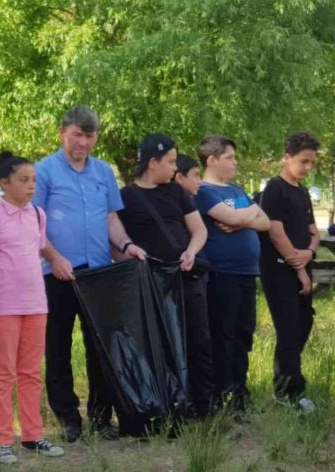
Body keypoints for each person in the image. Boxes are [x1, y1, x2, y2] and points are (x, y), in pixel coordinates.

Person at [32, 106, 146, 442]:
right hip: (57, 273)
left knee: (101, 347)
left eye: (89, 135)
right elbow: (34, 224)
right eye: (77, 135)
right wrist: (54, 258)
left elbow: (111, 218)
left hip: (98, 272)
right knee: (58, 346)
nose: (83, 142)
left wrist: (126, 245)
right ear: (62, 133)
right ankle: (68, 417)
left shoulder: (103, 172)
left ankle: (101, 416)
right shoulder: (44, 172)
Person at [119, 135, 214, 420]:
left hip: (185, 276)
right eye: (171, 162)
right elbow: (118, 239)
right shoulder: (127, 197)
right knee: (160, 343)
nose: (175, 168)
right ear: (152, 163)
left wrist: (191, 252)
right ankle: (168, 405)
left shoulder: (176, 193)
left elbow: (199, 230)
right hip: (151, 283)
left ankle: (204, 406)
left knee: (199, 339)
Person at [0, 152, 64, 464]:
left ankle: (33, 435)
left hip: (36, 303)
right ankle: (2, 439)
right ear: (5, 183)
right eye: (23, 180)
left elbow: (40, 249)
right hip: (2, 304)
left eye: (34, 180)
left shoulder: (38, 215)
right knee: (4, 373)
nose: (31, 186)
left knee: (31, 372)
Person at [193, 135, 269, 412]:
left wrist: (241, 219)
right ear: (212, 160)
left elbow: (266, 222)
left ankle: (239, 391)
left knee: (243, 333)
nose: (235, 162)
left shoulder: (237, 190)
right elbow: (245, 217)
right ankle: (221, 392)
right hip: (222, 273)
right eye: (230, 158)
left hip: (248, 273)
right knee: (223, 334)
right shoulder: (204, 191)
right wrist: (247, 215)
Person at [259, 131, 321, 412]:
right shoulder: (275, 189)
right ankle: (291, 392)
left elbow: (312, 231)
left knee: (303, 323)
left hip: (301, 265)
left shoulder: (302, 191)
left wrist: (309, 252)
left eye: (311, 163)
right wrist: (299, 267)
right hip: (280, 270)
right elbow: (276, 232)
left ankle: (285, 378)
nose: (307, 168)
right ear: (287, 158)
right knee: (289, 328)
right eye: (303, 162)